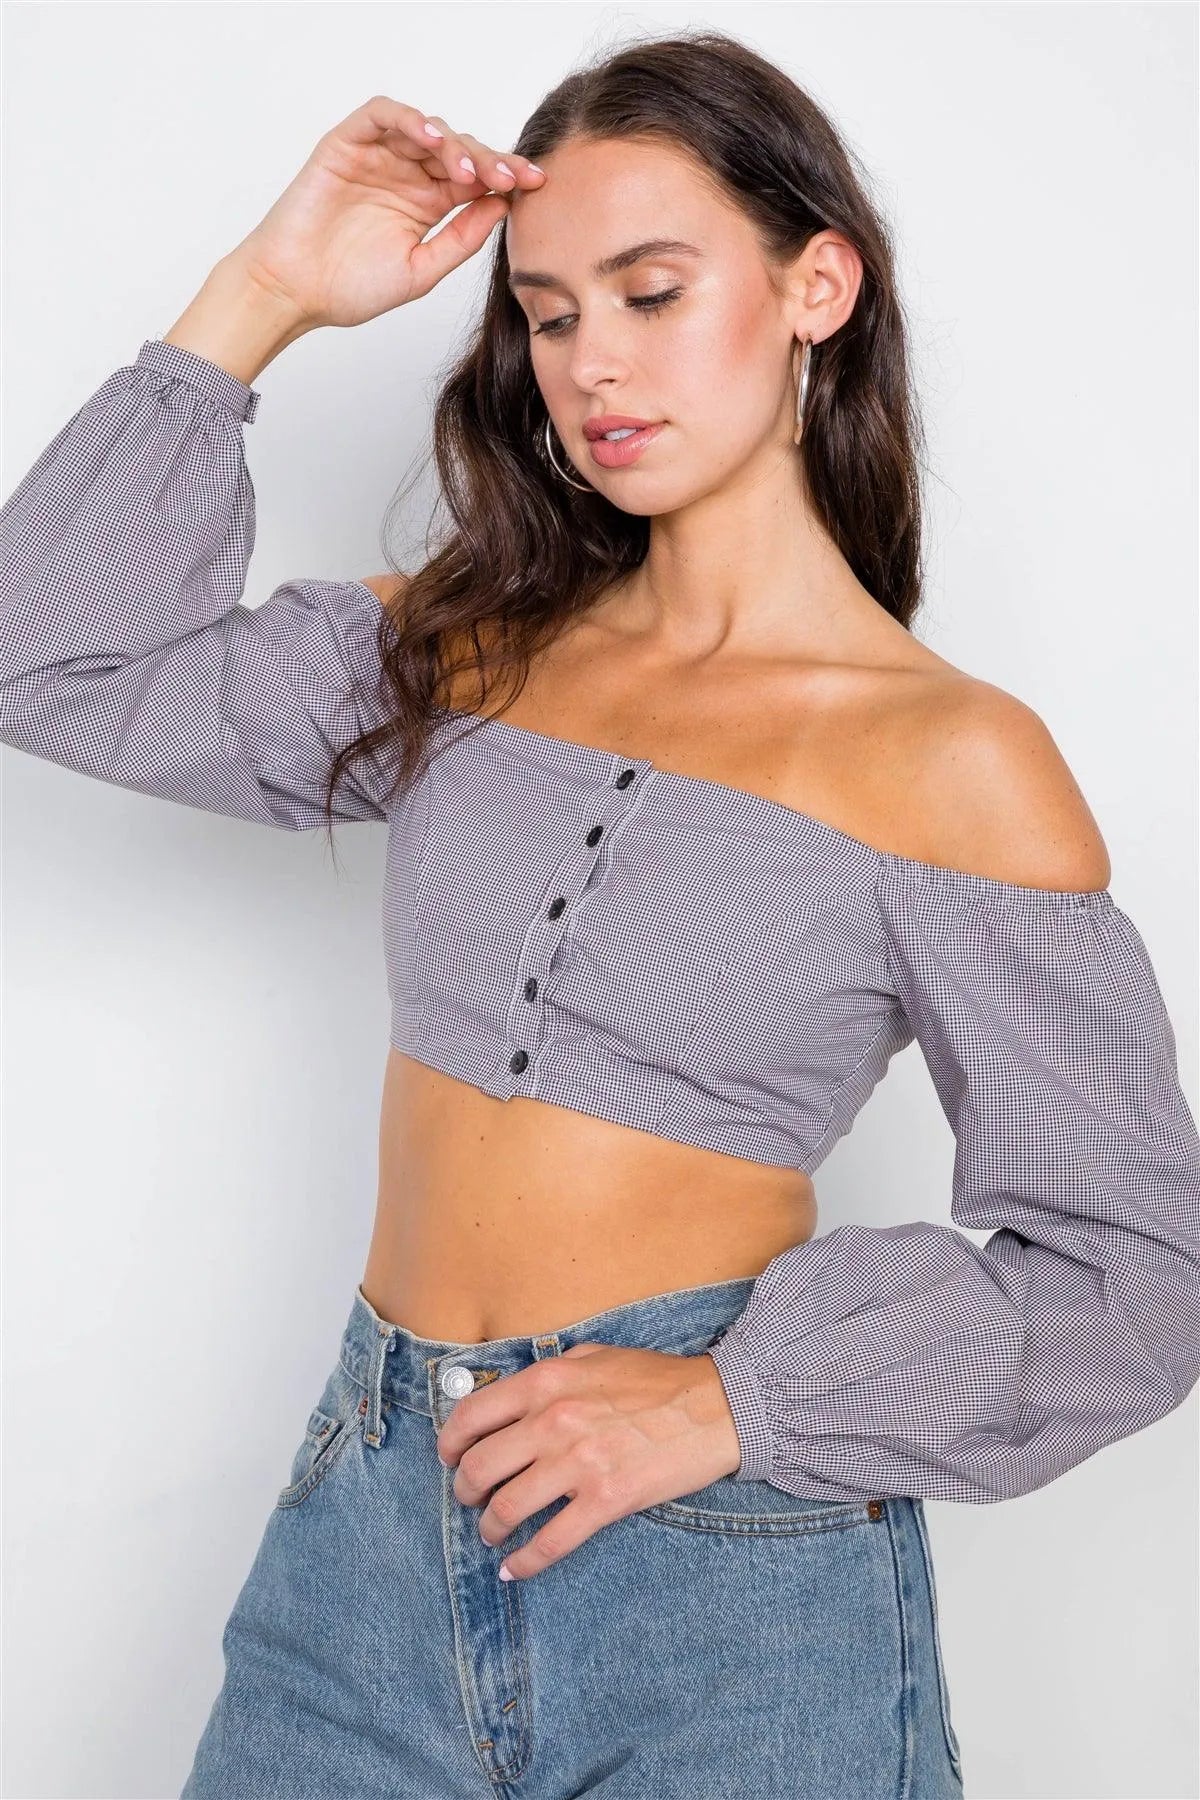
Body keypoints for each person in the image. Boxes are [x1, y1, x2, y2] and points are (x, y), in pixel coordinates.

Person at [3, 32, 1198, 1800]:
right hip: (367, 1525)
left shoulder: (953, 760)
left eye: (651, 292)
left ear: (817, 287)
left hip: (725, 1567)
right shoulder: (464, 649)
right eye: (549, 315)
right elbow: (51, 658)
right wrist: (265, 292)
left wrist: (731, 1403)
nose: (593, 365)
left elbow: (1136, 1270)